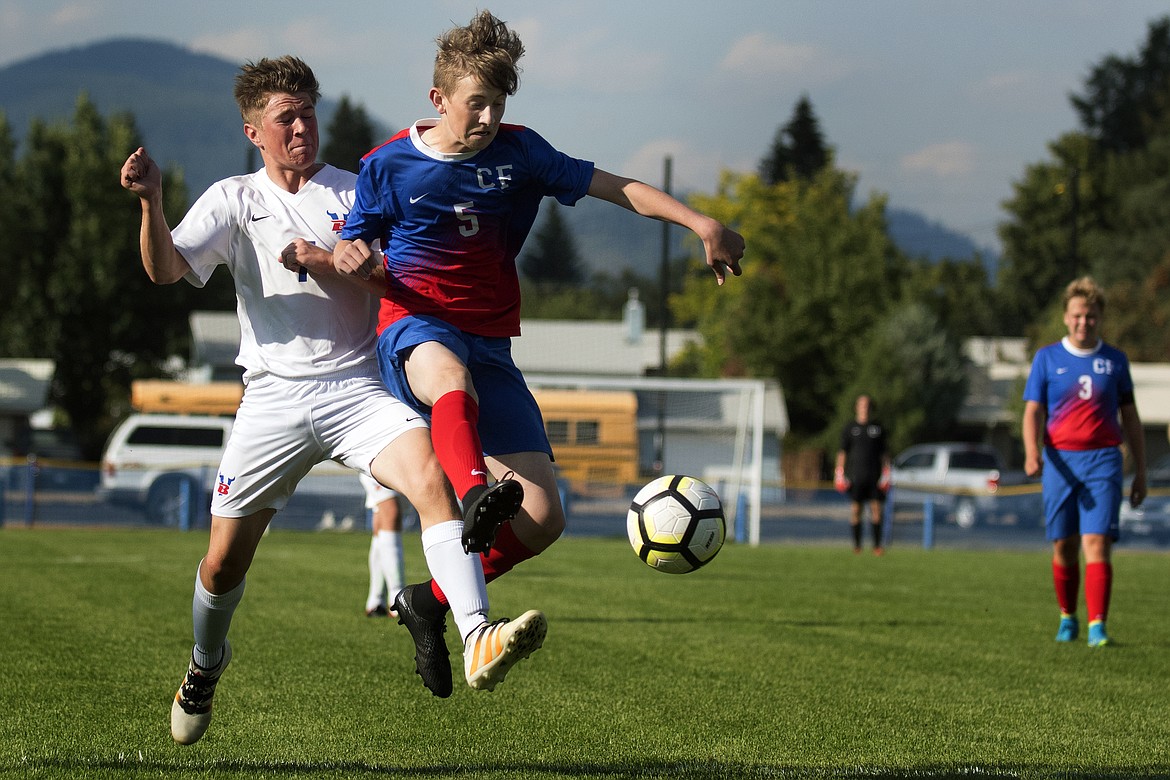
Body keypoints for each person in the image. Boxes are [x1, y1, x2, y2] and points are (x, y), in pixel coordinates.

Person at [120, 55, 545, 743]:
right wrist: (151, 201)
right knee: (224, 562)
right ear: (253, 130)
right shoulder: (233, 199)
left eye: (308, 113)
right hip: (273, 398)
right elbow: (166, 268)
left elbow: (403, 283)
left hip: (357, 388)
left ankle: (477, 635)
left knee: (434, 482)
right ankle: (205, 663)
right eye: (286, 117)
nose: (301, 128)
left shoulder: (359, 190)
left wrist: (359, 265)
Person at [333, 9, 745, 697]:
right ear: (438, 100)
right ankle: (471, 496)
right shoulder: (387, 164)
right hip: (415, 329)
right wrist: (349, 252)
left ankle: (429, 601)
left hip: (492, 346)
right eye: (475, 103)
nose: (489, 116)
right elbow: (356, 239)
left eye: (498, 103)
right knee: (450, 378)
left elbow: (616, 187)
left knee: (545, 518)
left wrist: (701, 221)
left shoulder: (521, 154)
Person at [1022, 275, 1147, 648]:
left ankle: (1097, 626)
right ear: (1066, 317)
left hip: (1104, 460)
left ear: (1099, 318)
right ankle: (1067, 617)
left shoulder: (1115, 361)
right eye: (1077, 315)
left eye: (1090, 316)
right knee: (1064, 544)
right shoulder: (1047, 358)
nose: (1083, 322)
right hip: (1060, 460)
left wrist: (1140, 471)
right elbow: (1032, 411)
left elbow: (1131, 418)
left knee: (1097, 541)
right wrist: (1031, 451)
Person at [834, 394, 891, 555]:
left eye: (867, 405)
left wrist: (887, 473)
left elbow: (884, 454)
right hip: (855, 476)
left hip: (874, 476)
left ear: (870, 407)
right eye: (861, 405)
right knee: (856, 510)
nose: (864, 408)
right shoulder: (850, 428)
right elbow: (842, 452)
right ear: (856, 407)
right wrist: (839, 472)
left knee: (876, 510)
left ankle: (877, 546)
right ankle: (857, 546)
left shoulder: (878, 428)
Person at [360, 472, 407, 618]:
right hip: (379, 458)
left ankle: (376, 601)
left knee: (381, 521)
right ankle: (397, 599)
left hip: (395, 461)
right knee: (390, 511)